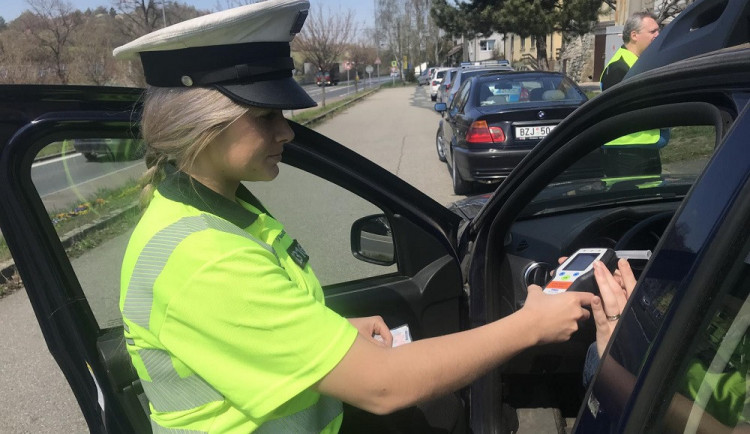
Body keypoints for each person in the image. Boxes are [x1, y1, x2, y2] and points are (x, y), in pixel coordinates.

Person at [115, 1, 595, 432]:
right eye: (265, 117)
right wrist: (529, 326)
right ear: (203, 122)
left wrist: (335, 333)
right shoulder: (204, 259)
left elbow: (245, 333)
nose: (286, 132)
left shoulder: (209, 207)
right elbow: (382, 387)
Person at [600, 11, 667, 178]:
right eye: (653, 31)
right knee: (628, 203)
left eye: (658, 30)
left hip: (646, 147)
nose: (658, 35)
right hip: (626, 153)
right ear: (634, 35)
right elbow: (624, 110)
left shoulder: (639, 64)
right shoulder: (619, 68)